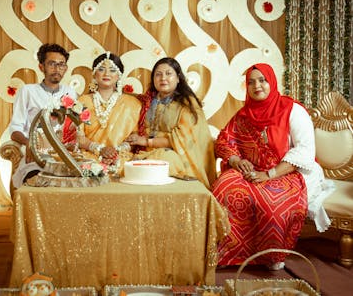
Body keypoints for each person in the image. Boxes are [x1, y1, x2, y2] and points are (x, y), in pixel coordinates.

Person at [212, 63, 335, 270]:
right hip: (252, 171)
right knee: (224, 188)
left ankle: (270, 256)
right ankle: (230, 253)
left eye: (262, 80)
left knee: (272, 203)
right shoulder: (244, 114)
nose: (256, 86)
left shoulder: (292, 111)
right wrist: (236, 161)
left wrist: (269, 174)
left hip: (288, 171)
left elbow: (305, 151)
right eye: (251, 82)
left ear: (272, 82)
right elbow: (225, 141)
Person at [125, 57, 216, 187]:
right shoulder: (147, 101)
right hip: (145, 151)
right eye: (158, 74)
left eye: (168, 73)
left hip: (176, 156)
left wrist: (146, 141)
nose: (163, 78)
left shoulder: (188, 104)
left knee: (161, 160)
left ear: (178, 78)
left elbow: (183, 138)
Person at [10, 43, 77, 187]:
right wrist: (30, 143)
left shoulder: (70, 93)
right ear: (41, 67)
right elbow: (15, 130)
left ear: (65, 68)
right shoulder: (27, 91)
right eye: (52, 64)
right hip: (37, 153)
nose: (57, 69)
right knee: (36, 180)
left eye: (61, 65)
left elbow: (73, 127)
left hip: (64, 154)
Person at [63, 52, 141, 172]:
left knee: (126, 168)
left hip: (121, 157)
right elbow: (77, 136)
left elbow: (135, 137)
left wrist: (115, 152)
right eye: (101, 69)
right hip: (89, 155)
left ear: (119, 75)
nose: (107, 74)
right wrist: (100, 149)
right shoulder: (82, 101)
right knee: (83, 167)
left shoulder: (132, 104)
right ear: (94, 74)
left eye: (112, 70)